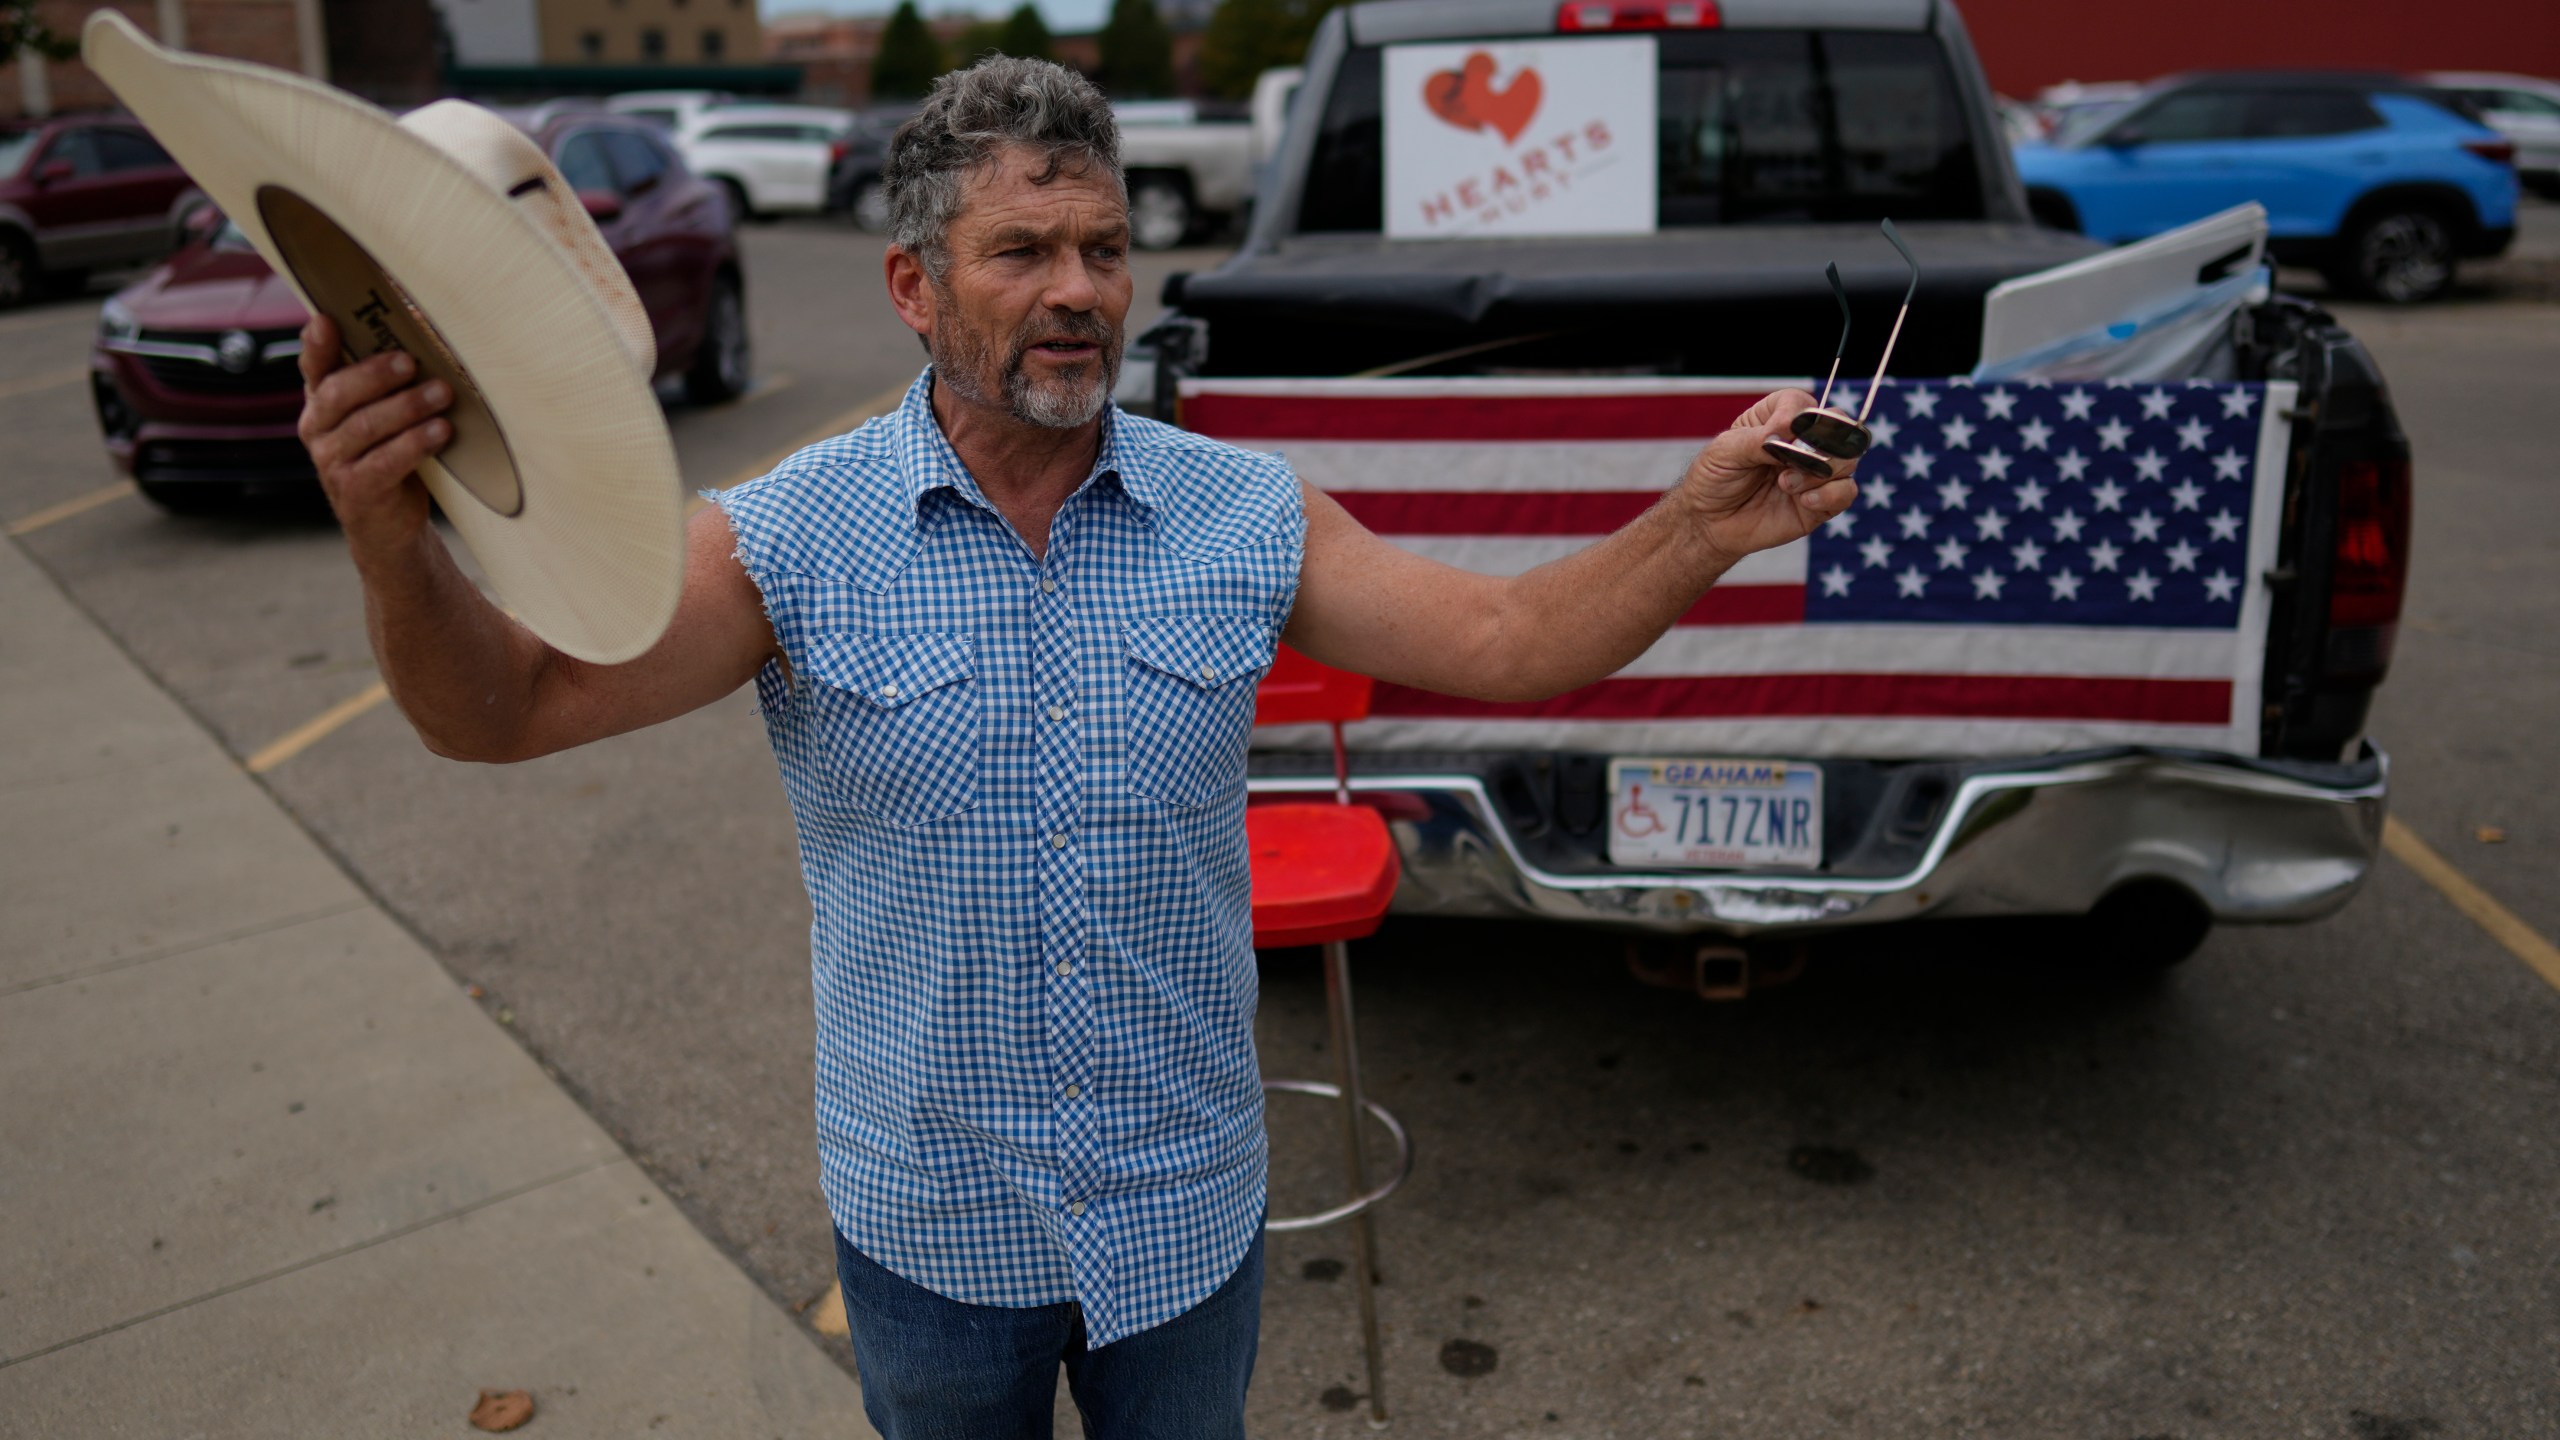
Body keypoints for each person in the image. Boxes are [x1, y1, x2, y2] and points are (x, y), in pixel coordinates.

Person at [293, 57, 1857, 1440]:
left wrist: (1702, 523)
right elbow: (495, 714)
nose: (1081, 289)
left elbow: (1515, 643)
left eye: (1106, 249)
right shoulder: (785, 540)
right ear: (912, 286)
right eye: (1024, 249)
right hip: (931, 1234)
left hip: (1185, 1227)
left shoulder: (1245, 513)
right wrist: (387, 535)